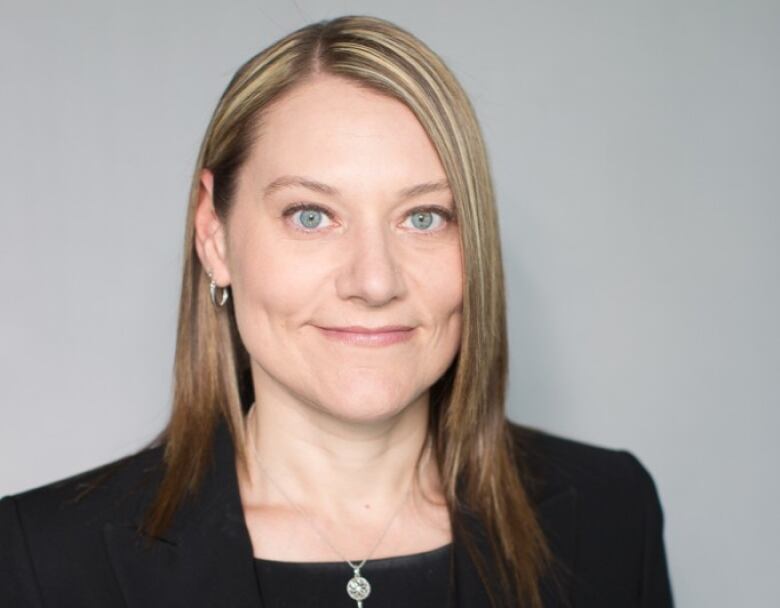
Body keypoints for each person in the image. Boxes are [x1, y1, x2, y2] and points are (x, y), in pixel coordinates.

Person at [0, 14, 674, 608]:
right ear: (215, 235)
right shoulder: (42, 561)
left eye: (424, 216)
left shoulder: (612, 514)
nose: (374, 280)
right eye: (312, 215)